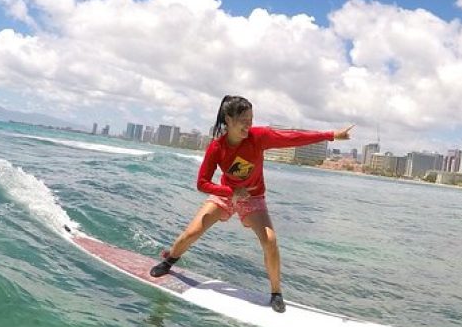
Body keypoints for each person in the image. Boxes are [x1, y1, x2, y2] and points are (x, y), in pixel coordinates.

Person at [150, 95, 353, 313]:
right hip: (226, 194)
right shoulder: (217, 148)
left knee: (270, 240)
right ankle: (169, 261)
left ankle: (276, 293)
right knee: (191, 233)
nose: (249, 124)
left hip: (254, 198)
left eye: (251, 119)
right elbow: (202, 183)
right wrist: (230, 191)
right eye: (244, 120)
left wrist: (331, 135)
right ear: (228, 119)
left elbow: (293, 137)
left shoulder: (259, 137)